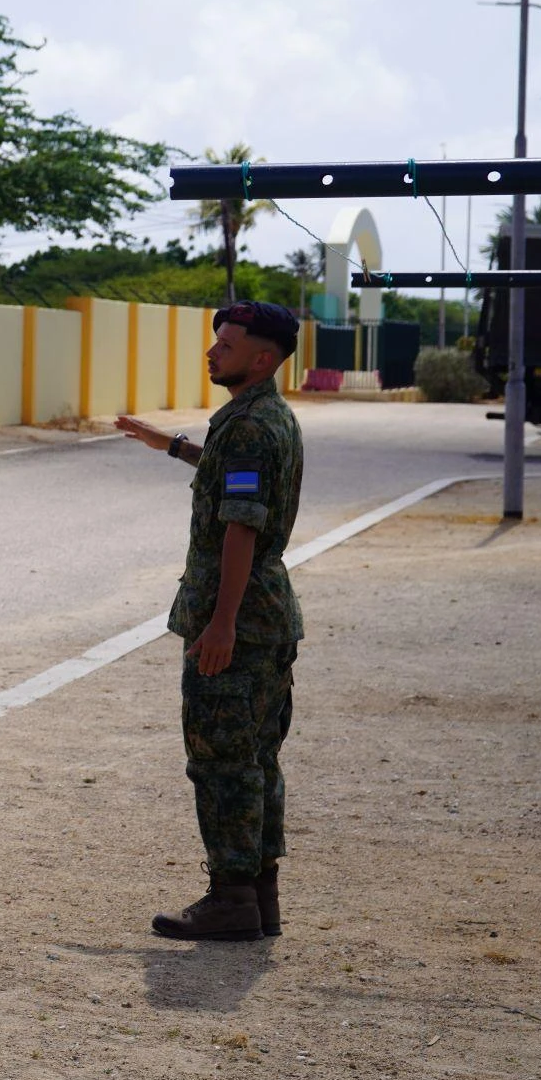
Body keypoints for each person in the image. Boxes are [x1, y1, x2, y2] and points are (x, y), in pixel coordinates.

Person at [114, 301, 307, 943]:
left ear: (262, 357)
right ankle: (258, 896)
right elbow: (234, 482)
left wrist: (221, 623)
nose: (213, 351)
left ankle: (231, 900)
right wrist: (168, 445)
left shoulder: (250, 426)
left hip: (241, 622)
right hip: (267, 620)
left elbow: (241, 523)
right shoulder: (262, 416)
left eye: (227, 344)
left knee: (222, 763)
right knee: (256, 759)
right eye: (215, 341)